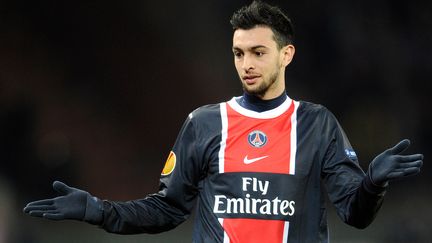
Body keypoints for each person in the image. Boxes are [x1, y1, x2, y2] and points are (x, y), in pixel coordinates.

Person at [23, 1, 423, 242]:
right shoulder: (204, 124)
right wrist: (99, 210)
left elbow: (355, 213)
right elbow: (167, 210)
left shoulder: (317, 124)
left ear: (287, 55)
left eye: (258, 52)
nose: (246, 65)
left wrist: (372, 183)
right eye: (238, 53)